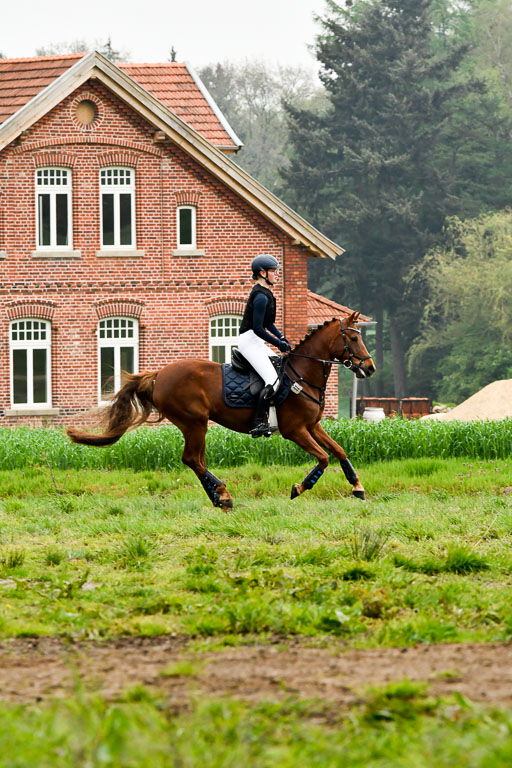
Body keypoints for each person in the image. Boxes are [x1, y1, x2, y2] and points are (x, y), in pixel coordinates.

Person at [238, 254, 292, 437]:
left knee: (279, 370)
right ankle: (256, 423)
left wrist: (282, 337)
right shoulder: (260, 297)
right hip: (249, 341)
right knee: (272, 379)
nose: (277, 274)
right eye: (273, 271)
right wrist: (278, 343)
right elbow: (258, 328)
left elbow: (268, 325)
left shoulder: (267, 293)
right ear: (262, 273)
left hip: (257, 340)